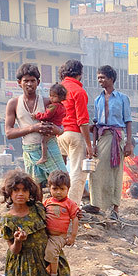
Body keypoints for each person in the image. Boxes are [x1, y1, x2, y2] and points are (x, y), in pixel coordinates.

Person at [5, 64, 67, 189]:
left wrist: (58, 130)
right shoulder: (14, 103)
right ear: (19, 83)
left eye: (32, 81)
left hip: (50, 146)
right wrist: (33, 128)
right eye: (26, 81)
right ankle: (38, 208)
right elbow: (9, 133)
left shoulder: (47, 102)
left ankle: (59, 208)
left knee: (62, 181)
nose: (29, 84)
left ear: (38, 82)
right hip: (29, 149)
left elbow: (61, 124)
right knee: (34, 187)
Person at [90, 65, 134, 219]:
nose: (100, 81)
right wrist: (93, 145)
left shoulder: (122, 98)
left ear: (111, 79)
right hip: (102, 136)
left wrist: (129, 143)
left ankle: (115, 208)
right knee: (95, 171)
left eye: (102, 77)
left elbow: (128, 121)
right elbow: (95, 124)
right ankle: (96, 203)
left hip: (117, 137)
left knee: (116, 172)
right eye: (99, 78)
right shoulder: (97, 99)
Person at [56, 59, 93, 204]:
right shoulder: (79, 91)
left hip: (59, 134)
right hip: (74, 134)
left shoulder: (58, 88)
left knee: (60, 172)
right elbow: (82, 121)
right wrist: (89, 145)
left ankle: (58, 202)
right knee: (78, 173)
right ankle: (72, 206)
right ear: (80, 74)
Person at [42, 170, 79, 276]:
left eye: (62, 189)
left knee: (51, 251)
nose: (58, 192)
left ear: (68, 189)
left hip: (59, 236)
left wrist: (72, 236)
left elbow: (75, 219)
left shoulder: (70, 204)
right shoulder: (47, 202)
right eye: (55, 189)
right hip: (46, 234)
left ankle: (54, 275)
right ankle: (48, 268)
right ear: (49, 188)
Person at [32, 83, 67, 165]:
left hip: (51, 126)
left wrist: (36, 116)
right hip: (58, 126)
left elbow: (46, 116)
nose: (51, 98)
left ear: (60, 97)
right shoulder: (62, 107)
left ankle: (44, 157)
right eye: (50, 95)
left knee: (43, 141)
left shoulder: (53, 106)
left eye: (54, 96)